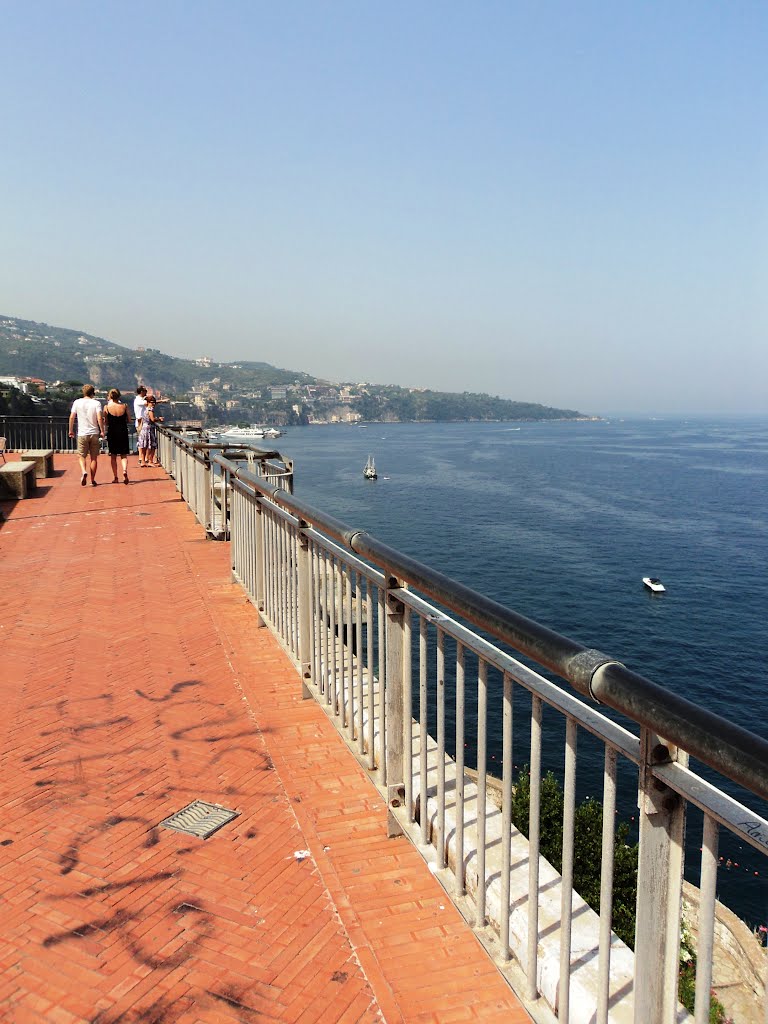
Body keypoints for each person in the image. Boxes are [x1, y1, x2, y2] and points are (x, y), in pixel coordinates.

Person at [69, 384, 105, 486]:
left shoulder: (77, 402)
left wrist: (70, 430)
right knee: (94, 458)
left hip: (82, 433)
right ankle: (92, 480)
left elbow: (72, 417)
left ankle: (84, 471)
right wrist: (102, 430)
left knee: (81, 456)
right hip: (94, 433)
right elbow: (99, 418)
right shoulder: (96, 403)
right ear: (93, 392)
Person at [104, 388, 131, 484]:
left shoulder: (106, 407)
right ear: (119, 396)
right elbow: (129, 420)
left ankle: (115, 477)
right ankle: (124, 470)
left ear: (110, 396)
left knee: (113, 456)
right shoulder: (125, 406)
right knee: (123, 455)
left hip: (112, 432)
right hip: (123, 431)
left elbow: (106, 421)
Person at [138, 395, 163, 466]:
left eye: (154, 402)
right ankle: (150, 461)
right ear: (148, 402)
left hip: (144, 428)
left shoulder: (145, 409)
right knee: (152, 445)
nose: (154, 404)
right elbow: (152, 419)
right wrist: (159, 419)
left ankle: (143, 461)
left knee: (143, 446)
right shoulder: (150, 410)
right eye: (152, 402)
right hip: (149, 429)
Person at [134, 386, 148, 464]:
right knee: (141, 441)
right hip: (140, 423)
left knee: (143, 440)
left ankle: (143, 457)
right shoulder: (138, 400)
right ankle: (141, 458)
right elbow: (148, 403)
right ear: (141, 392)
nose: (146, 392)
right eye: (145, 390)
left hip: (144, 422)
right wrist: (162, 401)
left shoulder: (142, 399)